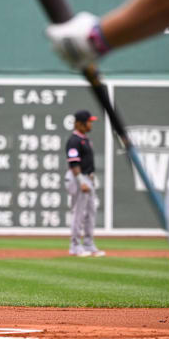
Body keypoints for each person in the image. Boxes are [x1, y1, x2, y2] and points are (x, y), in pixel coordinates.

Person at [45, 0, 169, 339]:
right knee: (82, 213)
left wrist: (95, 39)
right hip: (80, 179)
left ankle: (83, 245)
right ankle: (79, 246)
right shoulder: (76, 139)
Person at [64, 110, 104, 257]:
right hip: (78, 177)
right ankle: (74, 246)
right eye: (88, 121)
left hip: (87, 177)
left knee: (90, 213)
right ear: (80, 124)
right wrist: (81, 180)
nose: (90, 124)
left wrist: (90, 177)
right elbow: (74, 163)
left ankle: (88, 244)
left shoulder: (84, 139)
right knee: (78, 213)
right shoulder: (74, 140)